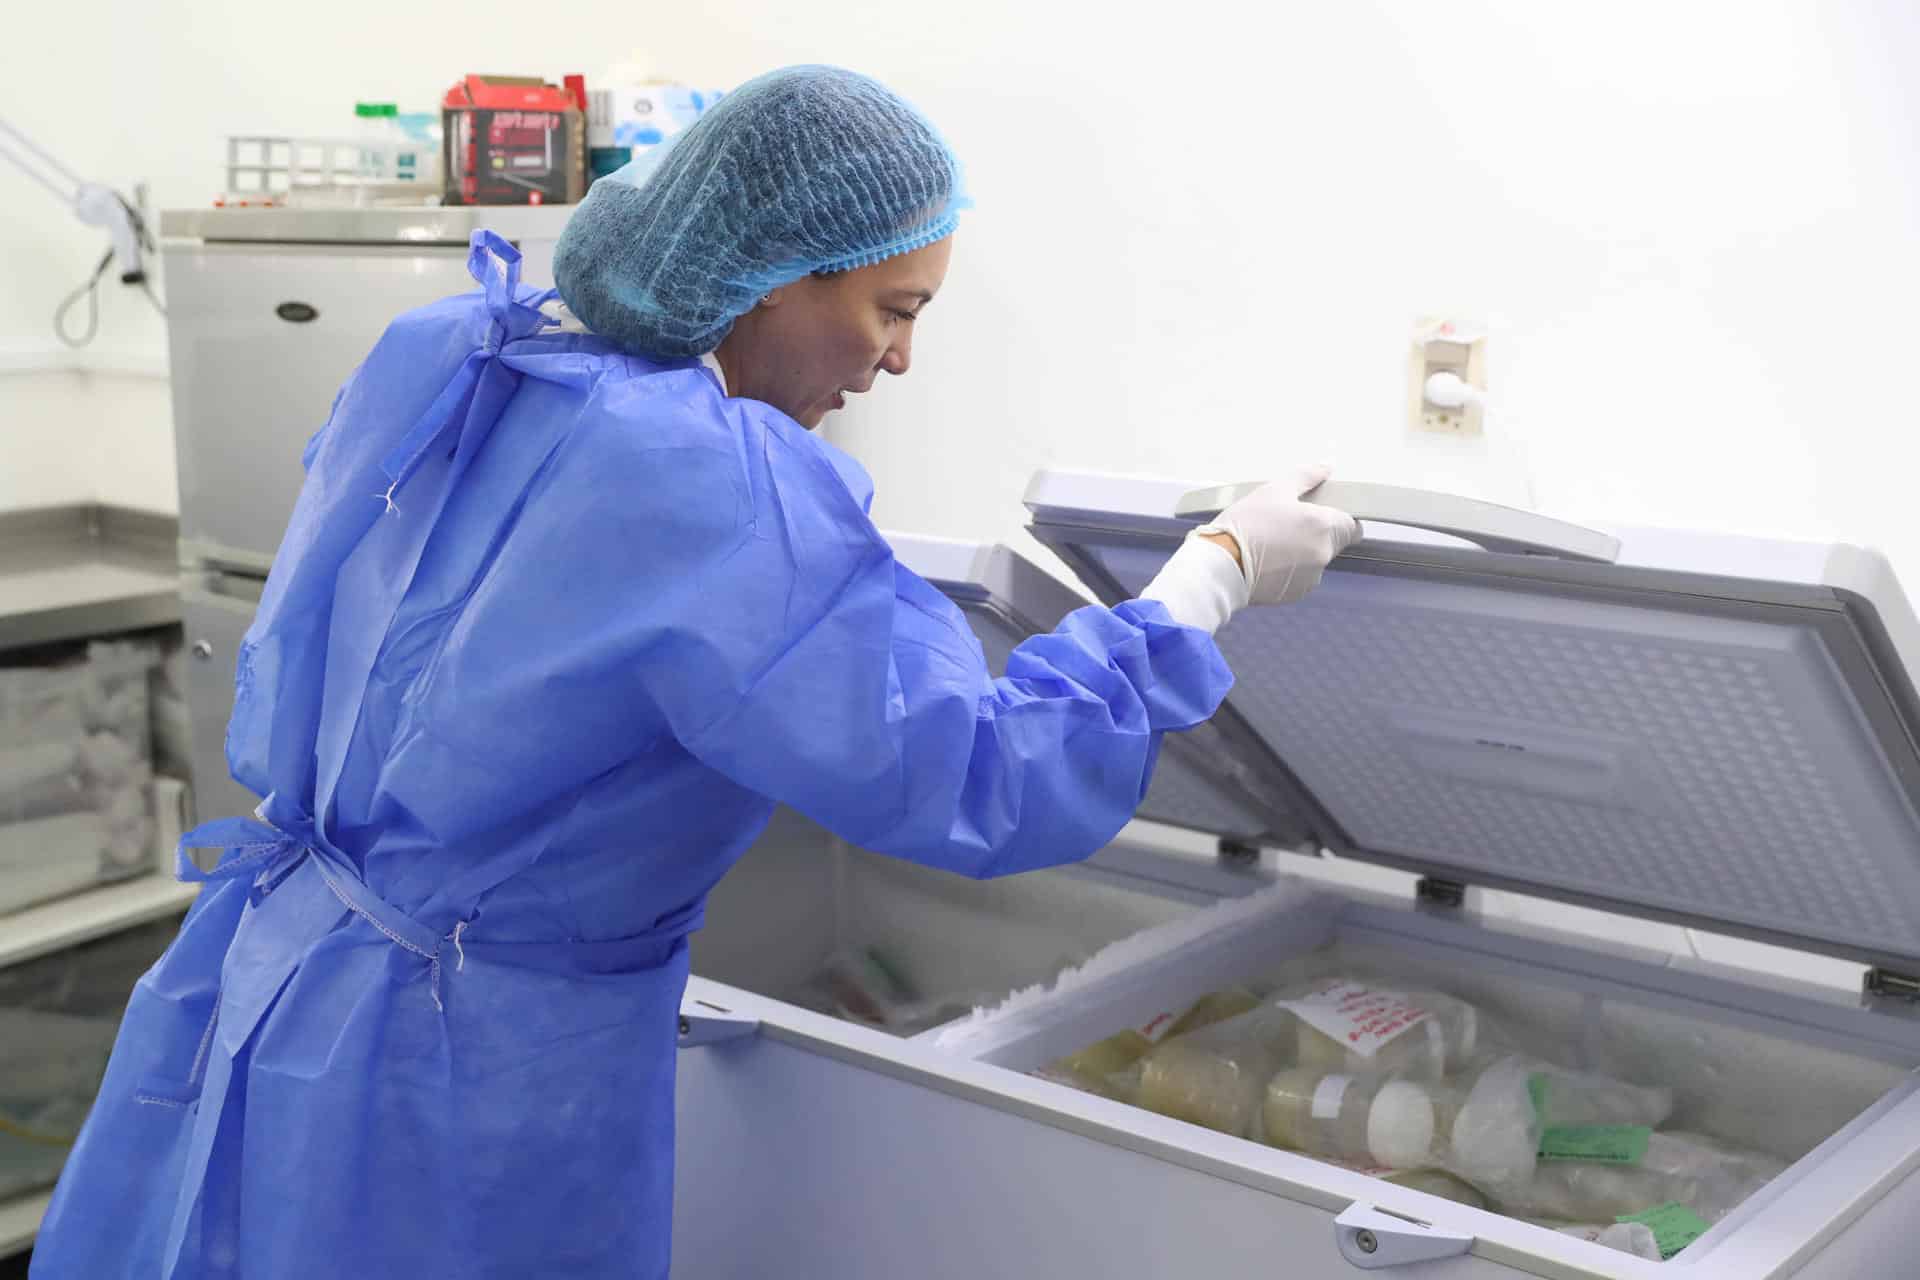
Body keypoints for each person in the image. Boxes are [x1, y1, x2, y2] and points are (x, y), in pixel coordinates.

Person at [30, 66, 1356, 1279]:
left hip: (270, 982)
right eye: (893, 310)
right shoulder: (711, 489)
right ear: (775, 274)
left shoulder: (470, 352)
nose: (902, 358)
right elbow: (987, 777)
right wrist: (1217, 568)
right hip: (459, 1069)